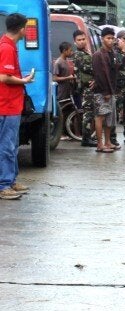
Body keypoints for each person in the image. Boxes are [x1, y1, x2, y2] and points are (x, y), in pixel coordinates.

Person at [0, 13, 33, 200]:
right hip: (6, 106)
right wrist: (24, 80)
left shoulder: (9, 46)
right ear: (21, 29)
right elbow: (4, 77)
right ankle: (4, 184)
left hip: (12, 105)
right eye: (26, 28)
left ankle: (11, 180)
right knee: (6, 146)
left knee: (11, 145)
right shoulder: (6, 48)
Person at [92, 27, 120, 153]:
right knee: (100, 117)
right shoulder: (98, 55)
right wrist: (105, 92)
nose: (110, 40)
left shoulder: (113, 53)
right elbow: (99, 75)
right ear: (102, 39)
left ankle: (108, 142)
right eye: (108, 38)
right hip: (101, 92)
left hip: (112, 90)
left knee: (110, 118)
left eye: (112, 38)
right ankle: (100, 144)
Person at [73, 30, 97, 147]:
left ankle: (88, 137)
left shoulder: (85, 53)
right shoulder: (78, 54)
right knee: (88, 114)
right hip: (86, 88)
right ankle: (86, 139)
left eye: (83, 39)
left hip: (90, 87)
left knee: (90, 113)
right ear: (75, 42)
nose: (82, 42)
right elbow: (89, 68)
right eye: (79, 40)